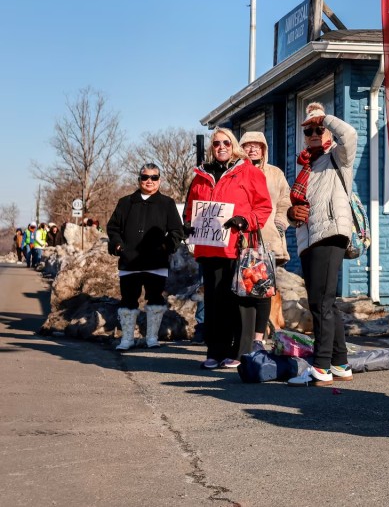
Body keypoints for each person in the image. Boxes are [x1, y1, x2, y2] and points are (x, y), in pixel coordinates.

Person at [184, 128, 273, 370]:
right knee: (214, 302)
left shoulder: (249, 172)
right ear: (211, 148)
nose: (221, 146)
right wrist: (188, 227)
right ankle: (216, 350)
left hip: (238, 246)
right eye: (216, 143)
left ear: (233, 145)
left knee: (239, 301)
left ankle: (241, 351)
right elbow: (191, 209)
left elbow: (263, 207)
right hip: (209, 247)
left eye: (225, 142)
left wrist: (244, 220)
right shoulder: (201, 175)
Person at [285, 102, 359, 387]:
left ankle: (321, 366)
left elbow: (350, 135)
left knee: (320, 303)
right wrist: (292, 214)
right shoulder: (308, 165)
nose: (315, 134)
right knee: (327, 302)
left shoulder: (337, 157)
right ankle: (340, 363)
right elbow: (300, 207)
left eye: (320, 130)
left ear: (328, 134)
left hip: (331, 233)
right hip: (309, 238)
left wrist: (325, 117)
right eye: (310, 131)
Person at [107, 164, 185, 351]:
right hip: (129, 261)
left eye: (154, 177)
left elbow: (177, 231)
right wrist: (118, 245)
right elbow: (113, 228)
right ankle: (127, 339)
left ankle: (151, 338)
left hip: (156, 261)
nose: (149, 181)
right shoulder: (125, 202)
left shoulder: (167, 203)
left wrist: (166, 246)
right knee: (128, 301)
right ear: (139, 179)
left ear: (160, 180)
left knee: (156, 299)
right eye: (145, 177)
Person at [239, 131, 291, 350]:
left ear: (264, 149)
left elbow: (285, 201)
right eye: (247, 145)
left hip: (268, 237)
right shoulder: (236, 172)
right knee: (243, 290)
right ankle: (243, 337)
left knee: (266, 290)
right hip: (241, 240)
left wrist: (280, 224)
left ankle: (264, 336)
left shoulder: (274, 173)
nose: (252, 149)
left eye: (257, 146)